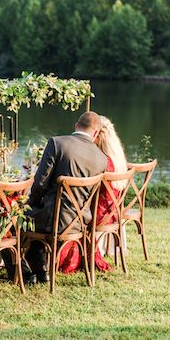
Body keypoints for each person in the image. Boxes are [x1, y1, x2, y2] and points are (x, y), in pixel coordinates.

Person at [6, 111, 107, 284]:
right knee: (34, 218)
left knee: (7, 218)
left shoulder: (57, 143)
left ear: (76, 126)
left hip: (53, 220)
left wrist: (31, 205)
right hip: (80, 222)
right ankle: (40, 271)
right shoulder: (102, 158)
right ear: (96, 133)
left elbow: (39, 184)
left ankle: (22, 273)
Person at [58, 115, 129, 273]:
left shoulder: (101, 161)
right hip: (113, 212)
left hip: (96, 215)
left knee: (71, 207)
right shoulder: (116, 158)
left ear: (97, 136)